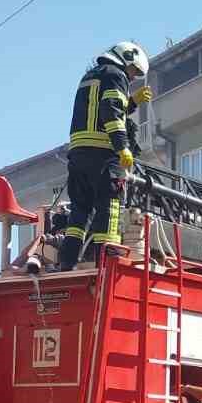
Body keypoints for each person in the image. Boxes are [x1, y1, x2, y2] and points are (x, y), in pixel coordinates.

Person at [64, 41, 151, 269]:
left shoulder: (91, 76)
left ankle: (68, 264)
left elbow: (100, 108)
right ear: (126, 59)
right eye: (134, 72)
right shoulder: (116, 75)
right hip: (103, 156)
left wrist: (131, 103)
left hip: (78, 155)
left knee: (79, 213)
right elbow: (110, 112)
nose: (132, 78)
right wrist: (122, 146)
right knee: (110, 208)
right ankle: (106, 266)